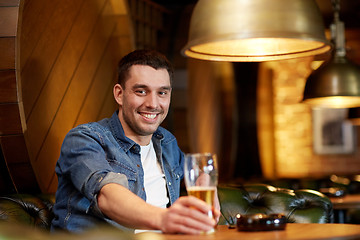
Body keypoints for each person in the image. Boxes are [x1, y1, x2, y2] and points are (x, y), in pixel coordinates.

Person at [51, 49, 220, 234]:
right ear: (119, 94)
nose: (153, 104)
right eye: (141, 91)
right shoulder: (84, 139)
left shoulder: (167, 143)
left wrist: (206, 183)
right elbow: (107, 196)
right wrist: (164, 219)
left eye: (162, 93)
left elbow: (198, 175)